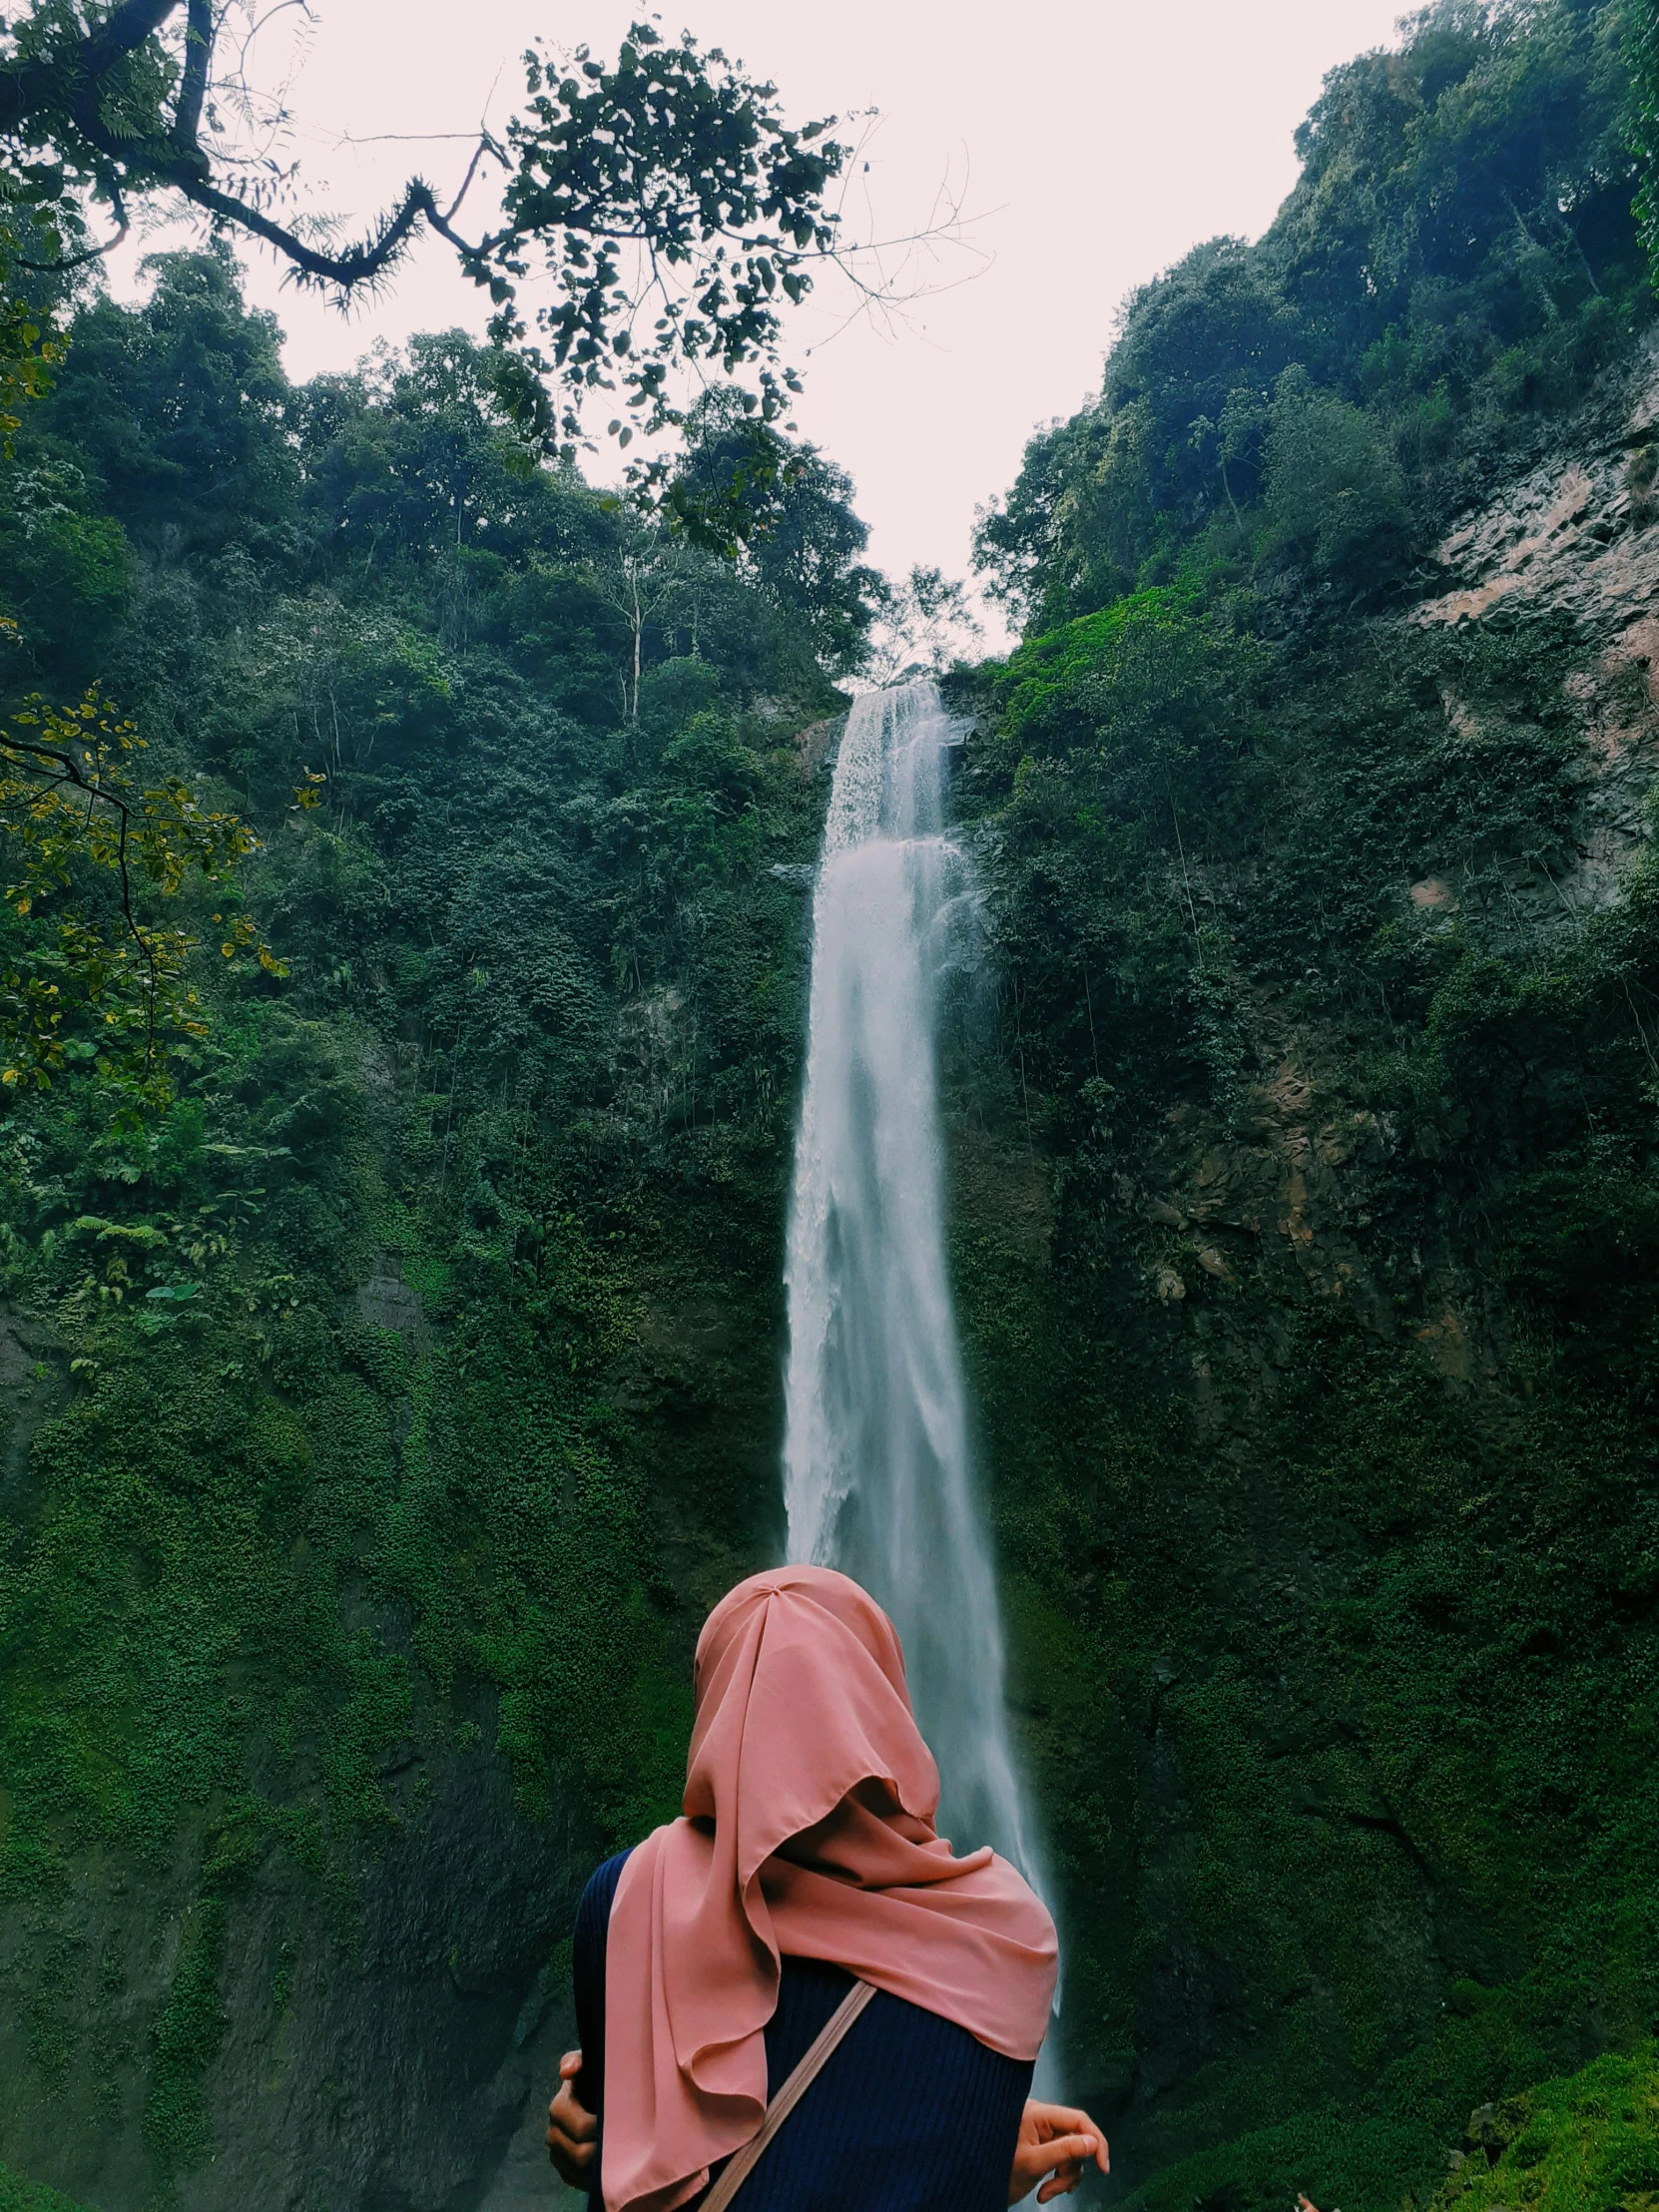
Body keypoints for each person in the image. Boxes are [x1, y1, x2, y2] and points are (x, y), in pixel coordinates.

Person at [543, 1564, 1111, 2210]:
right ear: (882, 1705)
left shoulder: (624, 1902)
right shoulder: (1007, 1947)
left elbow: (620, 2142)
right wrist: (976, 2150)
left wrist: (596, 2140)